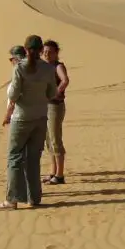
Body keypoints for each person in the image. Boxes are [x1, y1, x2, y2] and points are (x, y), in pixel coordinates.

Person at [0, 35, 58, 210]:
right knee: (33, 158)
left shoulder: (20, 68)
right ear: (40, 50)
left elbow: (13, 94)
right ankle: (33, 198)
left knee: (15, 157)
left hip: (22, 118)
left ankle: (12, 199)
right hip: (40, 117)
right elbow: (52, 93)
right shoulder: (47, 68)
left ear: (25, 49)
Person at [41, 39, 70, 185]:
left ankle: (60, 175)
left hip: (55, 106)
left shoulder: (58, 66)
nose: (46, 54)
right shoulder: (44, 67)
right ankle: (53, 171)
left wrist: (55, 92)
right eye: (44, 51)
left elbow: (65, 80)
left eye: (49, 52)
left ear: (56, 53)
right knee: (48, 139)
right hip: (45, 106)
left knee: (55, 138)